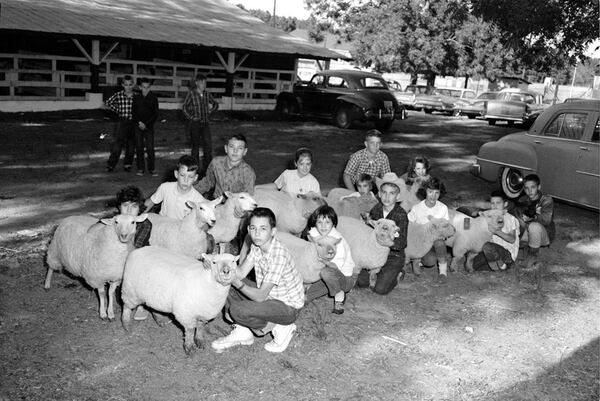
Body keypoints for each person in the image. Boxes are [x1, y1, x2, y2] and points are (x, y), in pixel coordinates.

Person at [211, 208, 304, 353]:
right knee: (227, 283)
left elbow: (260, 296)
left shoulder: (278, 255)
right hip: (270, 296)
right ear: (248, 229)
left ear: (273, 231)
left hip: (288, 307)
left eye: (263, 229)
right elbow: (241, 272)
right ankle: (243, 332)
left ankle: (282, 327)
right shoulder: (256, 246)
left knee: (237, 310)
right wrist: (221, 266)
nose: (257, 233)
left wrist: (237, 282)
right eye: (253, 228)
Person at [356, 172, 408, 294]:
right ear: (379, 193)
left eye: (392, 193)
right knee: (362, 282)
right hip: (375, 253)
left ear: (398, 195)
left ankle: (396, 274)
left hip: (393, 255)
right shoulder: (376, 209)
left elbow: (402, 241)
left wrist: (389, 242)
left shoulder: (401, 215)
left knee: (380, 289)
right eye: (384, 192)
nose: (387, 197)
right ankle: (377, 272)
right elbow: (369, 230)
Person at [304, 206, 355, 314]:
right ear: (315, 223)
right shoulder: (314, 235)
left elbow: (335, 268)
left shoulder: (337, 241)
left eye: (327, 222)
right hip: (324, 278)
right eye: (319, 222)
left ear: (333, 223)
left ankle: (339, 294)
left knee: (326, 272)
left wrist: (321, 261)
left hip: (343, 277)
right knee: (304, 297)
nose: (323, 226)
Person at [115, 185, 152, 320]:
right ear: (119, 207)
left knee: (143, 280)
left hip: (139, 259)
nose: (129, 210)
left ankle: (144, 305)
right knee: (121, 298)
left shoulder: (145, 223)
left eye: (134, 206)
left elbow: (135, 249)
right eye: (125, 205)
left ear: (140, 208)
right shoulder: (115, 222)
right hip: (119, 261)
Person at [407, 177, 450, 280]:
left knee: (439, 245)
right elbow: (409, 225)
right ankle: (416, 259)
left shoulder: (443, 208)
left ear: (440, 194)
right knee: (429, 261)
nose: (433, 196)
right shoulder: (417, 208)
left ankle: (443, 272)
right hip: (420, 242)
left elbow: (445, 227)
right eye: (430, 192)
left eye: (437, 193)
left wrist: (443, 235)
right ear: (425, 191)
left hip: (435, 241)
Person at [144, 155, 205, 220]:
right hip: (163, 225)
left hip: (182, 228)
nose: (186, 180)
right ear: (176, 174)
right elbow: (151, 202)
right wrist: (137, 214)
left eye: (190, 177)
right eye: (182, 175)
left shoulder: (198, 200)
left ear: (195, 178)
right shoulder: (165, 188)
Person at [195, 134, 256, 199]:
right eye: (232, 147)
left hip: (236, 206)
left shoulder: (248, 173)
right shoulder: (216, 163)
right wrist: (190, 192)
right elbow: (208, 182)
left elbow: (248, 198)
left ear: (245, 151)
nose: (235, 151)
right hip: (216, 203)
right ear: (226, 148)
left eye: (240, 148)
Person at [471, 190, 519, 272]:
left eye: (498, 203)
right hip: (494, 251)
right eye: (492, 203)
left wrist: (496, 231)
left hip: (507, 253)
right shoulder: (489, 217)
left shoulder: (510, 218)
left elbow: (512, 239)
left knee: (487, 246)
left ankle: (506, 263)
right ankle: (499, 266)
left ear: (505, 204)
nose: (495, 206)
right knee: (475, 264)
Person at [514, 174, 555, 269]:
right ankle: (526, 246)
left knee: (534, 226)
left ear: (539, 187)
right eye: (526, 188)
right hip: (526, 230)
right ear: (524, 189)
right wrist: (521, 222)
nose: (530, 191)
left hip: (544, 234)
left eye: (533, 187)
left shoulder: (546, 200)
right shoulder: (522, 200)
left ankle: (533, 255)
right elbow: (518, 216)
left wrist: (533, 217)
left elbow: (546, 220)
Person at [182, 73, 219, 172]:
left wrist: (211, 110)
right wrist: (191, 117)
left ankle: (208, 168)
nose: (204, 85)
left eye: (205, 83)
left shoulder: (207, 94)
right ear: (197, 83)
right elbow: (184, 107)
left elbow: (215, 104)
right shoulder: (191, 94)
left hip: (205, 123)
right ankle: (195, 168)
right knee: (195, 146)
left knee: (208, 145)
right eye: (202, 83)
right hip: (195, 124)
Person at [106, 75, 136, 172]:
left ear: (133, 85)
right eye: (126, 85)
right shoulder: (119, 95)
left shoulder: (136, 96)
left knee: (131, 144)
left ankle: (128, 164)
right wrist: (118, 110)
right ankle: (111, 164)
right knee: (118, 144)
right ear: (122, 85)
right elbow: (108, 102)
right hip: (123, 121)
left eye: (130, 85)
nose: (128, 87)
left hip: (133, 122)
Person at [132, 77, 159, 177]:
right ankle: (140, 168)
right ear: (140, 87)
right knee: (139, 147)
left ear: (150, 87)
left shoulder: (153, 98)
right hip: (138, 125)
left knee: (150, 148)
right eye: (143, 87)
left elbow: (155, 114)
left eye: (147, 87)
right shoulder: (136, 98)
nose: (146, 89)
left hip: (149, 126)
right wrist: (139, 122)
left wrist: (146, 124)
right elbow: (133, 112)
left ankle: (152, 168)